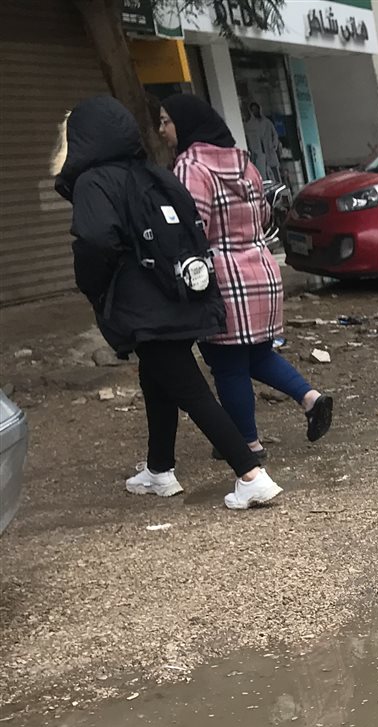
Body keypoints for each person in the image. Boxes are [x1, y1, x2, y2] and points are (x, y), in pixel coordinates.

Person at [52, 96, 280, 510]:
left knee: (190, 389)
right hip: (179, 294)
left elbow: (95, 242)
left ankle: (251, 475)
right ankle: (159, 470)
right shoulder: (152, 173)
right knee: (156, 380)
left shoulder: (94, 182)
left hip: (144, 306)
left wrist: (96, 289)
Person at [163, 95, 333, 463]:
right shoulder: (245, 164)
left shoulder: (191, 167)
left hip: (224, 278)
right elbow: (264, 215)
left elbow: (193, 227)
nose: (162, 130)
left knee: (226, 364)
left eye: (166, 121)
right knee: (256, 354)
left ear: (187, 125)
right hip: (262, 270)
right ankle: (310, 398)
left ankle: (247, 444)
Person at [242, 101, 281, 181]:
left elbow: (274, 134)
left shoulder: (267, 122)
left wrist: (274, 145)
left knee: (274, 171)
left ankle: (279, 184)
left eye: (256, 109)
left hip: (269, 150)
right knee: (263, 174)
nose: (255, 111)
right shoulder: (249, 125)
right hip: (259, 153)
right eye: (253, 110)